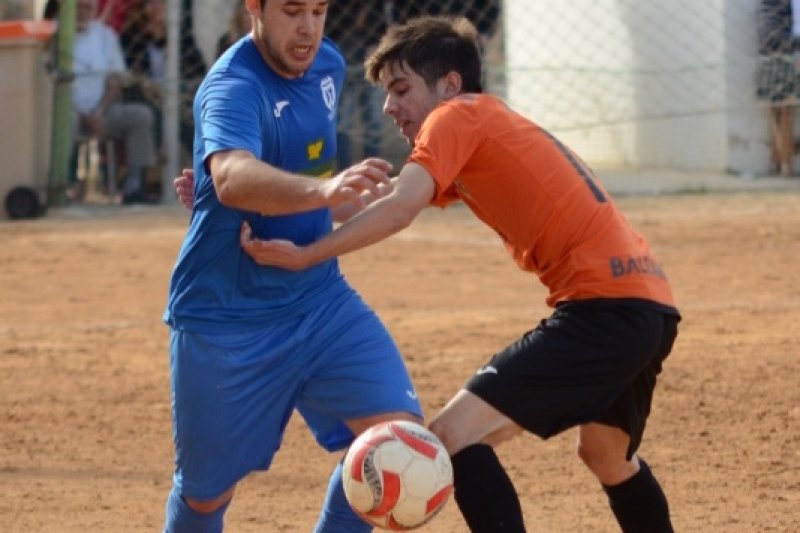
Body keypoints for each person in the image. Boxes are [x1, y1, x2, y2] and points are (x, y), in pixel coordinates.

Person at [237, 16, 682, 533]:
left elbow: (400, 210)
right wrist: (268, 195)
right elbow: (376, 201)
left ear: (449, 84)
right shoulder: (483, 121)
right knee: (607, 456)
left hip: (603, 310)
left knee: (450, 439)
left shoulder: (454, 119)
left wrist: (306, 255)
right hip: (649, 304)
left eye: (401, 89)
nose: (389, 107)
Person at [162, 1, 423, 532]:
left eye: (319, 10)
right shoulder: (232, 86)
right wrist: (323, 190)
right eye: (291, 10)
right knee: (207, 498)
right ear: (253, 9)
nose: (308, 28)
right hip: (227, 319)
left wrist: (351, 194)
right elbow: (234, 176)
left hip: (318, 300)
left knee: (393, 445)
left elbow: (311, 172)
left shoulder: (325, 64)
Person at [71, 0, 158, 204]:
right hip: (68, 113)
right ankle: (67, 185)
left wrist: (99, 112)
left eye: (88, 7)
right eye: (79, 7)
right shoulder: (52, 34)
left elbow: (114, 80)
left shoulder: (105, 35)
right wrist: (82, 115)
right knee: (66, 123)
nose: (84, 12)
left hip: (101, 111)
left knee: (141, 116)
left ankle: (134, 186)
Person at [119, 0, 207, 160]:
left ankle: (201, 164)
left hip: (178, 96)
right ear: (145, 9)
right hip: (147, 94)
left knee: (191, 116)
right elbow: (131, 72)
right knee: (155, 112)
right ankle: (154, 167)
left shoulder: (181, 36)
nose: (159, 8)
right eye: (154, 3)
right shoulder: (132, 36)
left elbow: (198, 69)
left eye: (163, 4)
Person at [325, 1, 387, 170]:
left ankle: (374, 170)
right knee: (343, 120)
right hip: (342, 50)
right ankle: (344, 170)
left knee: (372, 119)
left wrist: (379, 41)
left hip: (369, 50)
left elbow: (381, 18)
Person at [756, 0, 797, 176]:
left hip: (786, 59)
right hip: (773, 59)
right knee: (775, 110)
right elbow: (771, 39)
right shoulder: (768, 7)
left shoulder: (788, 7)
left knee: (786, 110)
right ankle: (782, 161)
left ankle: (783, 162)